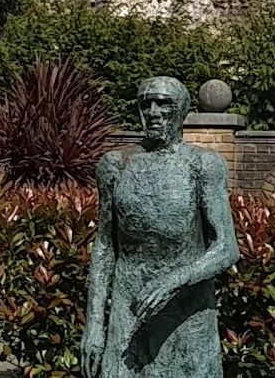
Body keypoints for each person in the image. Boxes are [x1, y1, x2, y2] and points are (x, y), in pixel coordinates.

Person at [82, 76, 239, 378]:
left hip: (186, 312)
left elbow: (226, 247)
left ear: (180, 111)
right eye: (146, 104)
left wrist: (174, 281)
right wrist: (94, 326)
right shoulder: (115, 165)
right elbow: (104, 246)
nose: (153, 111)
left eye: (163, 103)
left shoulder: (203, 166)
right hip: (129, 309)